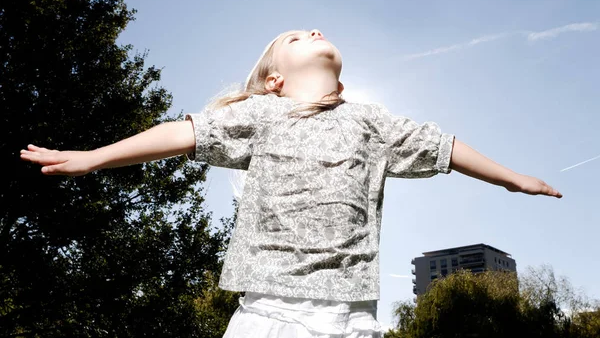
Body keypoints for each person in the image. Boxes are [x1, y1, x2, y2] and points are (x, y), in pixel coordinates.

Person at [20, 29, 562, 338]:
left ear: (341, 78)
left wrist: (512, 179)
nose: (315, 31)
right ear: (274, 78)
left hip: (354, 316)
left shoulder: (370, 120)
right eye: (297, 36)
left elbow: (442, 147)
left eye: (318, 31)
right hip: (273, 312)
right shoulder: (262, 113)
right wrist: (94, 158)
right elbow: (181, 133)